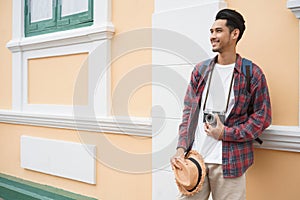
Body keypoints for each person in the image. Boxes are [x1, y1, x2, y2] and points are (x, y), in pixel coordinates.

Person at [170, 8, 272, 200]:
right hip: (195, 160)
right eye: (211, 31)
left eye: (218, 31)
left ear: (234, 34)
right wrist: (181, 149)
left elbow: (262, 117)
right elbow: (189, 114)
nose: (212, 36)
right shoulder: (200, 71)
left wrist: (226, 133)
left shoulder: (252, 73)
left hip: (230, 163)